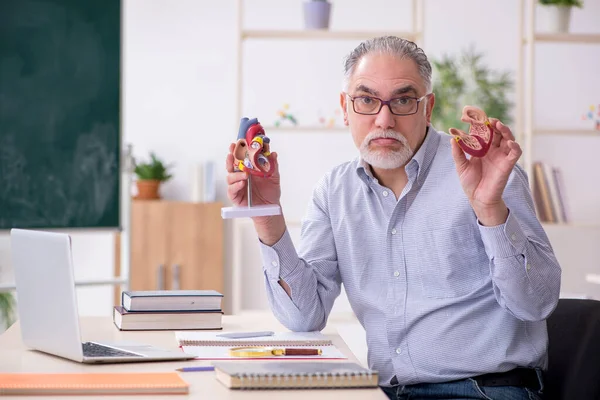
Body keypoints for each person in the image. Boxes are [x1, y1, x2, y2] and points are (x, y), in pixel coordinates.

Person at [225, 36, 561, 400]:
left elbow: (536, 304)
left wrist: (490, 209)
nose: (384, 120)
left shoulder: (488, 174)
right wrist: (266, 214)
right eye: (367, 100)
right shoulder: (334, 191)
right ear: (345, 107)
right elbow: (303, 317)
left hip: (482, 389)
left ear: (427, 108)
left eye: (402, 100)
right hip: (385, 391)